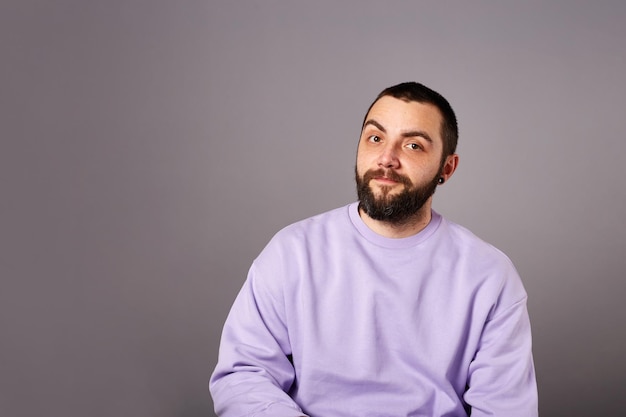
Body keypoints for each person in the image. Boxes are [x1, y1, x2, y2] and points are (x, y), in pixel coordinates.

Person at [209, 82, 538, 417]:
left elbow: (504, 410)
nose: (386, 159)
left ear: (447, 168)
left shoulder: (490, 276)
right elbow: (244, 376)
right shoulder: (291, 253)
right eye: (375, 138)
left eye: (413, 145)